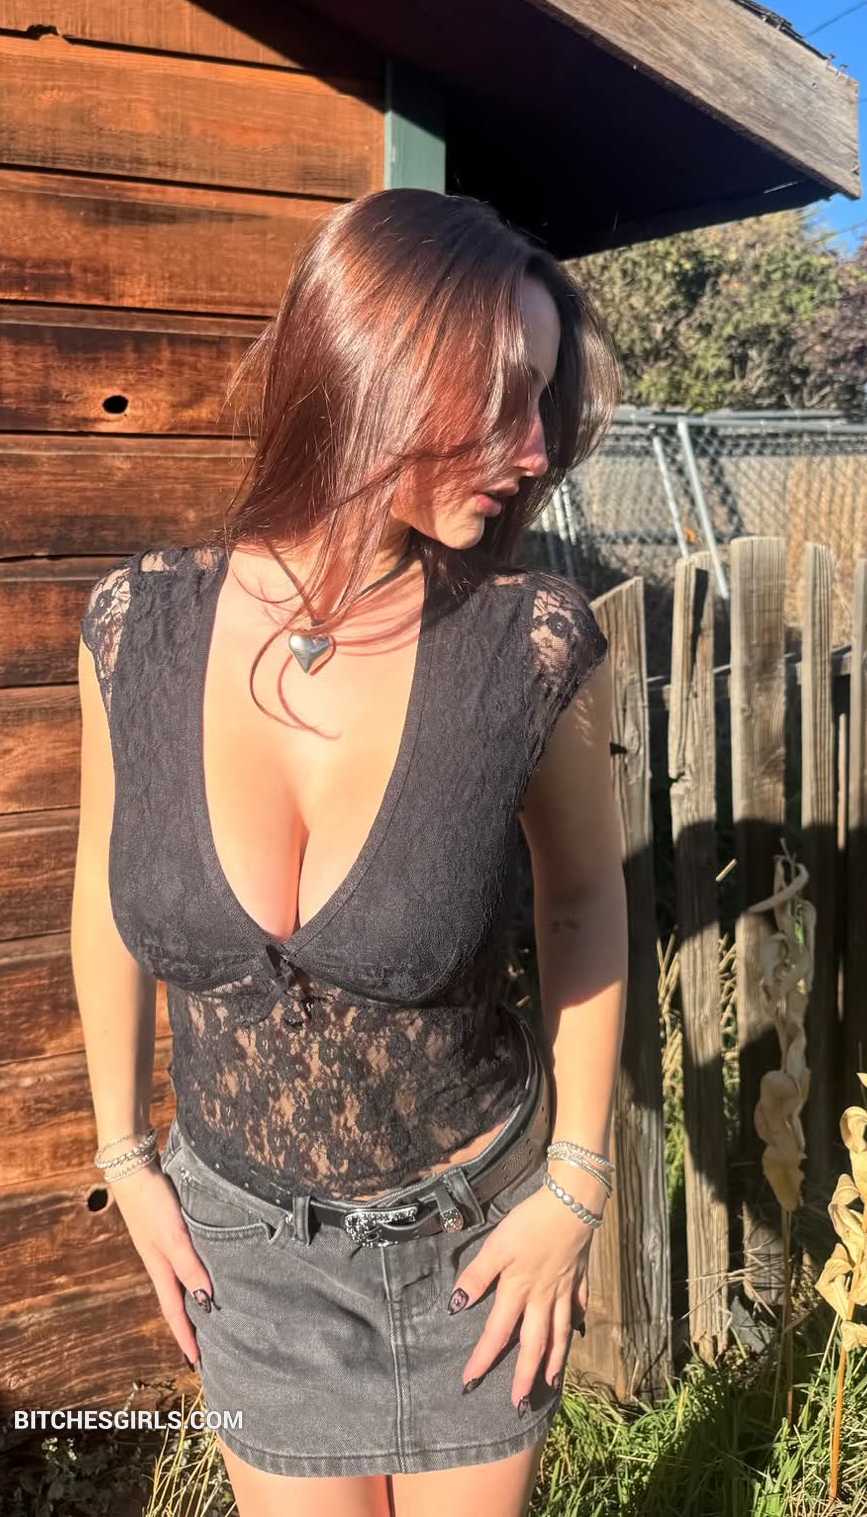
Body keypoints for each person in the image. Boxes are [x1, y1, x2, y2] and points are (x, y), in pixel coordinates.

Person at [72, 188, 629, 1517]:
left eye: (546, 405)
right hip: (246, 1248)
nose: (536, 449)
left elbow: (583, 900)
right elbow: (101, 899)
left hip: (476, 1248)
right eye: (506, 400)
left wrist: (577, 1184)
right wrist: (122, 1158)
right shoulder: (137, 627)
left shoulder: (529, 642)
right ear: (374, 363)